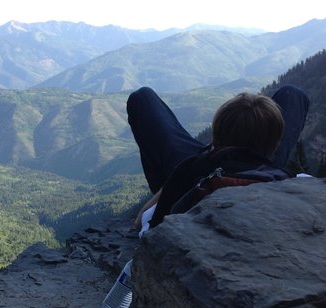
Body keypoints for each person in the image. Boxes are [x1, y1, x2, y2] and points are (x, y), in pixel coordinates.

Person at [127, 85, 310, 232]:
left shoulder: (187, 171)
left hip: (204, 170)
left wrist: (179, 175)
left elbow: (140, 222)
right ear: (277, 144)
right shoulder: (297, 184)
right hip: (264, 167)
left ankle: (216, 152)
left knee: (142, 98)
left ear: (216, 135)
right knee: (293, 94)